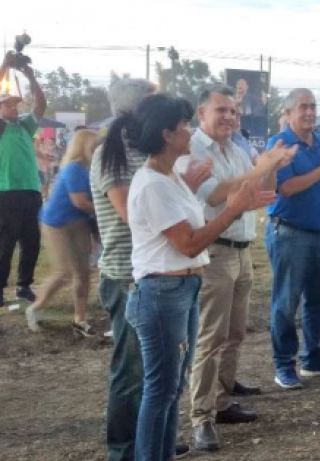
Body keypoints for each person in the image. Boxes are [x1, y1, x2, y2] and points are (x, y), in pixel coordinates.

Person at [123, 93, 273, 461]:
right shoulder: (153, 183)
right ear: (166, 134)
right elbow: (188, 243)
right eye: (184, 125)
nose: (188, 131)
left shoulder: (171, 177)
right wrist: (233, 210)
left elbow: (187, 226)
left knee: (171, 386)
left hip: (181, 287)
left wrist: (219, 200)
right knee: (160, 389)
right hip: (162, 291)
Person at [181, 86, 295, 452]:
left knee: (234, 333)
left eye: (233, 111)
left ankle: (222, 400)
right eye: (221, 111)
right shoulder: (195, 150)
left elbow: (262, 187)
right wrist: (261, 169)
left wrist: (272, 167)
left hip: (242, 251)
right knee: (210, 338)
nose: (229, 117)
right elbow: (215, 195)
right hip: (214, 253)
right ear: (202, 114)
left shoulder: (236, 148)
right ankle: (201, 418)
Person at [93, 78, 192, 461]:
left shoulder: (148, 154)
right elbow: (131, 215)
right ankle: (125, 449)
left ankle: (152, 442)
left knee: (162, 373)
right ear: (137, 111)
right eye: (156, 102)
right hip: (127, 274)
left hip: (154, 271)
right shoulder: (112, 153)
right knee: (133, 372)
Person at [266, 88, 320, 387]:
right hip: (290, 233)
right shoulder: (279, 144)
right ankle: (283, 364)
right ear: (288, 113)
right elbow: (286, 188)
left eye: (313, 106)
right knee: (286, 302)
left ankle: (312, 357)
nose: (310, 112)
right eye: (303, 107)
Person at [25, 130, 99, 335]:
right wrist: (107, 207)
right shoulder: (74, 169)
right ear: (84, 147)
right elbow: (80, 202)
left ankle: (80, 318)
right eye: (94, 145)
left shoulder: (88, 169)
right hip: (57, 223)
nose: (97, 149)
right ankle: (35, 308)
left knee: (83, 272)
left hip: (78, 222)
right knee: (64, 272)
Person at [0, 57, 47, 307]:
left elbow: (41, 104)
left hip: (30, 189)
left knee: (31, 240)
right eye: (8, 105)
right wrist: (5, 66)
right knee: (6, 241)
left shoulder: (24, 126)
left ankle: (24, 286)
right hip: (5, 190)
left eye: (15, 104)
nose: (14, 108)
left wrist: (30, 77)